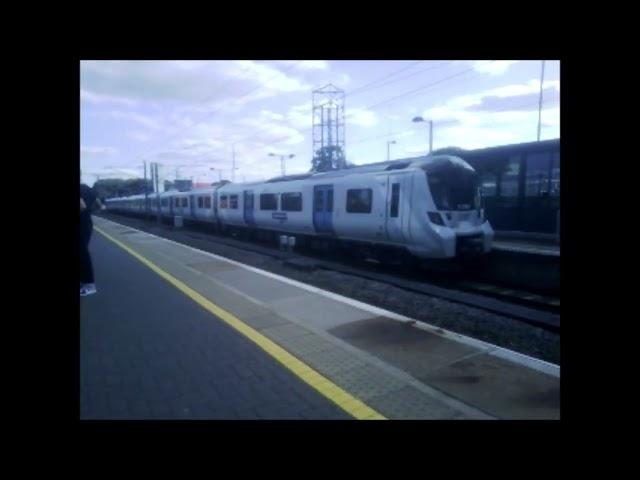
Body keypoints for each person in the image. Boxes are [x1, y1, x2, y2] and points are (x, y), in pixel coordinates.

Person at [80, 182, 102, 296]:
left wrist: (85, 211)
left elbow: (81, 206)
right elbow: (99, 205)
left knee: (82, 253)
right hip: (87, 223)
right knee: (82, 252)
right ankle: (85, 283)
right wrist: (89, 212)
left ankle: (89, 285)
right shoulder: (88, 189)